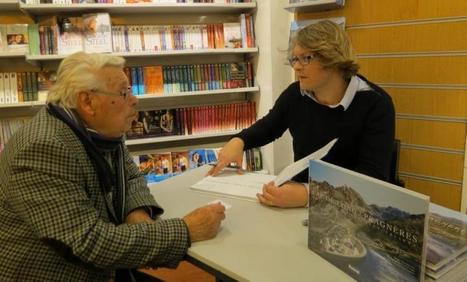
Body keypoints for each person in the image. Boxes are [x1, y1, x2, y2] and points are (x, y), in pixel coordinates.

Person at [0, 52, 225, 281]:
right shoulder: (43, 148)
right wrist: (186, 230)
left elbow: (130, 177)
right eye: (124, 92)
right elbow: (89, 242)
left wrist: (135, 213)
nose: (134, 99)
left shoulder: (98, 129)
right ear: (87, 102)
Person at [209, 20, 395, 208]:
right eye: (294, 59)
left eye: (306, 58)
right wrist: (239, 141)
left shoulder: (376, 104)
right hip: (295, 203)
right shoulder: (296, 94)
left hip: (349, 212)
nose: (296, 67)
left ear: (333, 59)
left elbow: (372, 179)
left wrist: (308, 195)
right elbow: (269, 127)